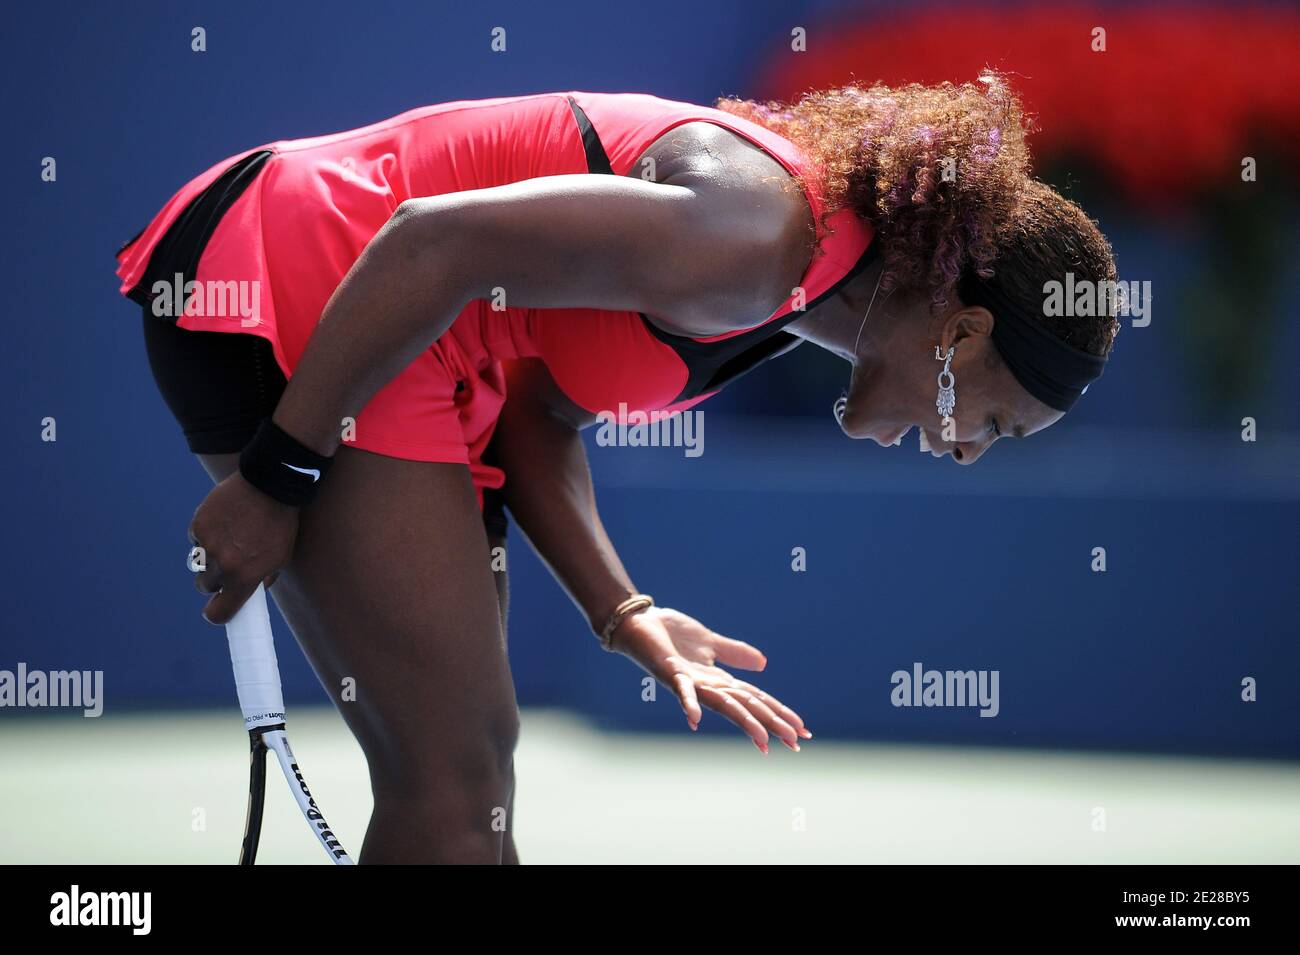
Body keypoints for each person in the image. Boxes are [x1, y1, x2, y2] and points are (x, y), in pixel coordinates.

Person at [116, 74, 1118, 863]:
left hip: (405, 344)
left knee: (474, 792)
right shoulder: (758, 240)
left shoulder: (788, 296)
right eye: (990, 419)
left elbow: (539, 417)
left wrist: (624, 613)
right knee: (457, 787)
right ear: (962, 329)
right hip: (305, 273)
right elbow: (429, 242)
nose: (962, 450)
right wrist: (276, 476)